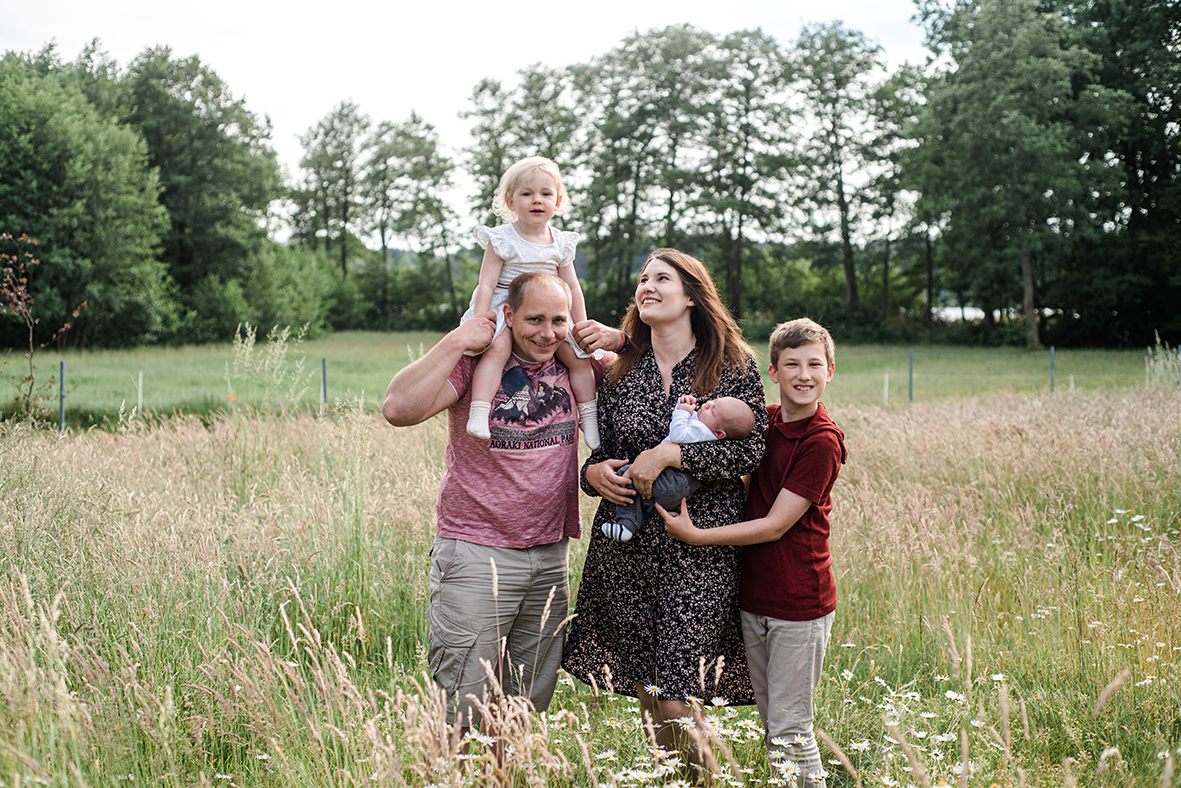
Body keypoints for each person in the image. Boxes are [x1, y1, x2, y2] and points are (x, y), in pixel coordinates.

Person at [381, 272, 617, 749]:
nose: (547, 333)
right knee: (462, 708)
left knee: (522, 711)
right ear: (509, 315)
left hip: (551, 557)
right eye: (534, 319)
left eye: (558, 320)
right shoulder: (476, 364)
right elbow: (398, 408)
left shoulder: (581, 365)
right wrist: (457, 339)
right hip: (475, 554)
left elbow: (669, 365)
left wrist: (622, 337)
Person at [562, 249, 768, 771]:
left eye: (663, 278)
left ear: (691, 294)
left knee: (677, 693)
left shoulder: (731, 364)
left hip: (696, 546)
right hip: (626, 548)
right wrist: (593, 475)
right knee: (648, 691)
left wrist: (675, 452)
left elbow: (750, 450)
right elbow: (599, 449)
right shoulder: (620, 370)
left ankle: (704, 782)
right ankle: (671, 781)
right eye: (643, 279)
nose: (648, 286)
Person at [658, 318, 848, 787]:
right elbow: (714, 452)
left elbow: (775, 525)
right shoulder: (763, 423)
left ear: (830, 372)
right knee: (772, 721)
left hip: (798, 603)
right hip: (754, 598)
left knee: (789, 729)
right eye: (792, 365)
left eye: (814, 365)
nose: (803, 375)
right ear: (773, 371)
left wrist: (698, 535)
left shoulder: (821, 442)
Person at [461, 156, 601, 449]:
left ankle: (589, 419)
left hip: (547, 312)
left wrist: (581, 324)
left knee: (577, 358)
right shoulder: (502, 239)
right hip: (504, 304)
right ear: (511, 203)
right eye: (527, 193)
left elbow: (573, 286)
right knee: (497, 349)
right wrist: (480, 318)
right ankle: (479, 412)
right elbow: (485, 283)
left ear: (557, 201)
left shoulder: (560, 242)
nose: (537, 200)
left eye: (546, 193)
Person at [600, 394, 756, 542]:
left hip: (673, 482)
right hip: (678, 486)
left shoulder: (703, 432)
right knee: (643, 498)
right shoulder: (707, 428)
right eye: (714, 401)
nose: (708, 403)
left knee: (625, 476)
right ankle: (635, 520)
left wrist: (683, 412)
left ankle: (627, 524)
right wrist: (683, 404)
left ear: (719, 433)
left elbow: (678, 434)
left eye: (713, 410)